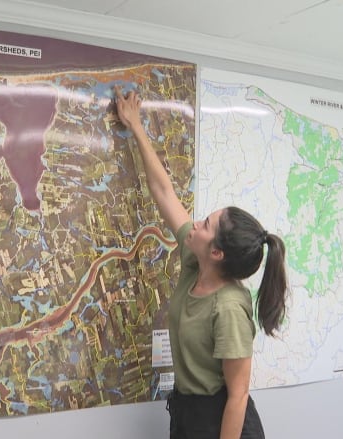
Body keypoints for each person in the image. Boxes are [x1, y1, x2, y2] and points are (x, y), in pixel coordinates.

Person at [113, 86, 289, 439]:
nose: (195, 224)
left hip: (223, 423)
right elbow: (165, 193)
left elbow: (237, 396)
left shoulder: (227, 308)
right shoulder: (195, 262)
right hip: (188, 414)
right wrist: (136, 127)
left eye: (205, 225)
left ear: (218, 253)